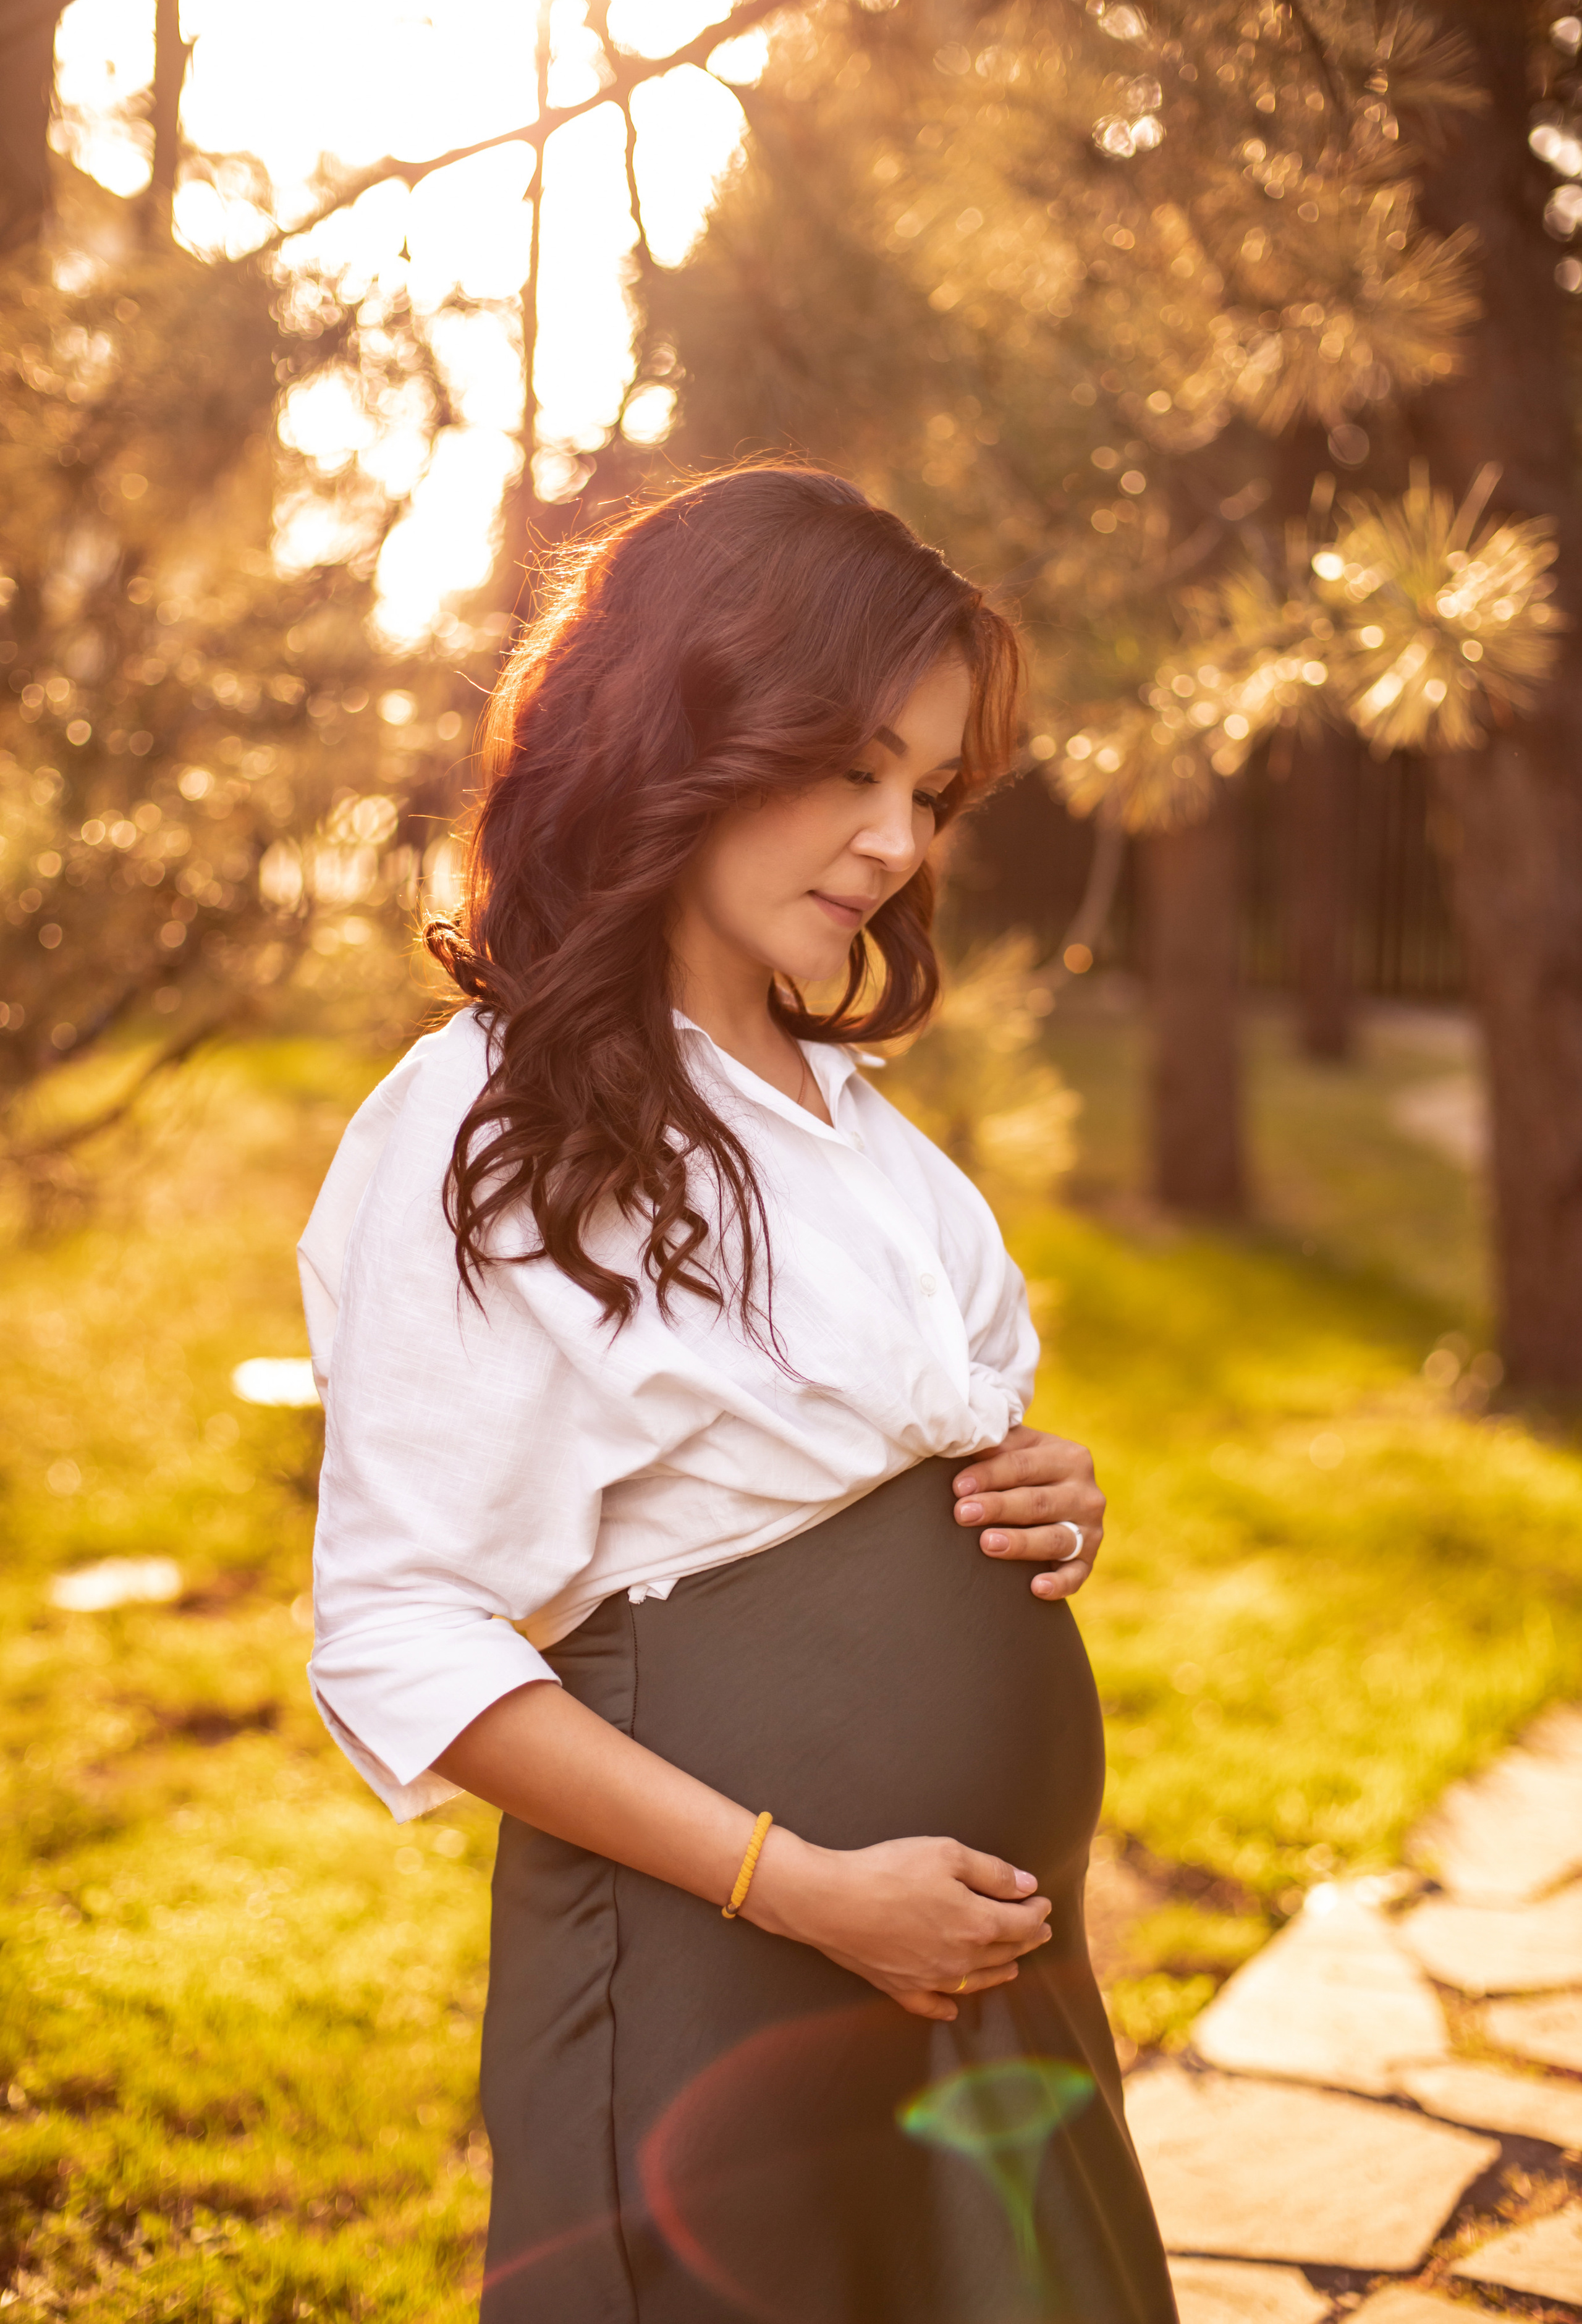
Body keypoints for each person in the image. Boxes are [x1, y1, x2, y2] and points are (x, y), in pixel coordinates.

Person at [299, 467, 1175, 2322]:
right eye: (851, 767)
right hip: (722, 1974)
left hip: (975, 1986)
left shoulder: (867, 1140)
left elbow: (874, 1487)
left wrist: (1045, 1502)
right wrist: (799, 1886)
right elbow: (402, 1632)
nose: (892, 840)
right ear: (682, 726)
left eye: (928, 795)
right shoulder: (491, 1124)